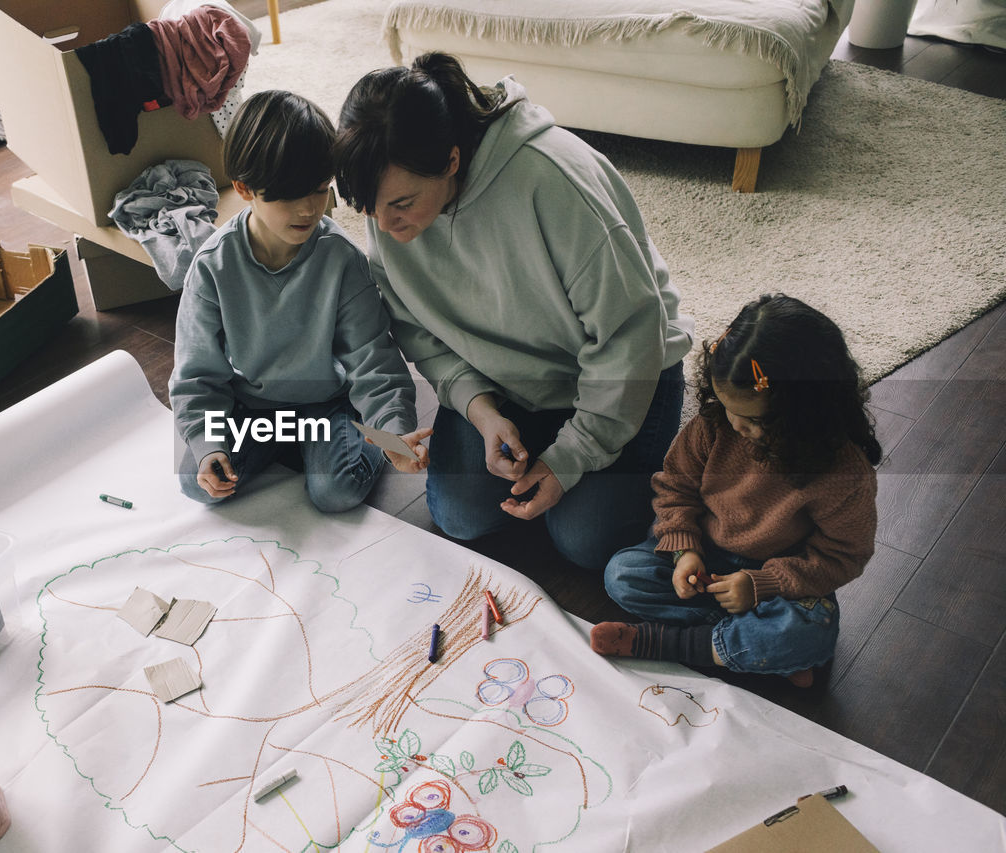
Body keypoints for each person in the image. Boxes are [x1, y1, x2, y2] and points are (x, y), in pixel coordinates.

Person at [334, 52, 694, 569]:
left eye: (403, 205)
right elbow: (417, 328)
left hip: (625, 371)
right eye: (371, 210)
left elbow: (630, 337)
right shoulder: (391, 198)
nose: (386, 226)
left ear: (452, 160)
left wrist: (571, 456)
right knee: (460, 516)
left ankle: (636, 449)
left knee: (586, 541)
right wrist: (481, 411)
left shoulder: (551, 180)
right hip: (507, 382)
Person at [592, 294, 882, 686]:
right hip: (706, 556)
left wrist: (761, 586)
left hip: (780, 578)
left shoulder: (842, 473)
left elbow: (842, 557)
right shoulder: (715, 426)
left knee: (810, 632)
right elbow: (675, 486)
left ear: (806, 413)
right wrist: (684, 549)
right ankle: (751, 647)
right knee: (623, 574)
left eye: (752, 419)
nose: (736, 425)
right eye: (728, 407)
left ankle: (675, 644)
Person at [170, 90, 431, 512]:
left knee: (336, 491)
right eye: (290, 195)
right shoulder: (212, 267)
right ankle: (288, 447)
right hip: (251, 409)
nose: (309, 208)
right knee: (195, 480)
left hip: (327, 405)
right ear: (244, 188)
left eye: (319, 189)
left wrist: (391, 435)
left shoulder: (340, 258)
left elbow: (372, 360)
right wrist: (208, 444)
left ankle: (325, 446)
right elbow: (196, 373)